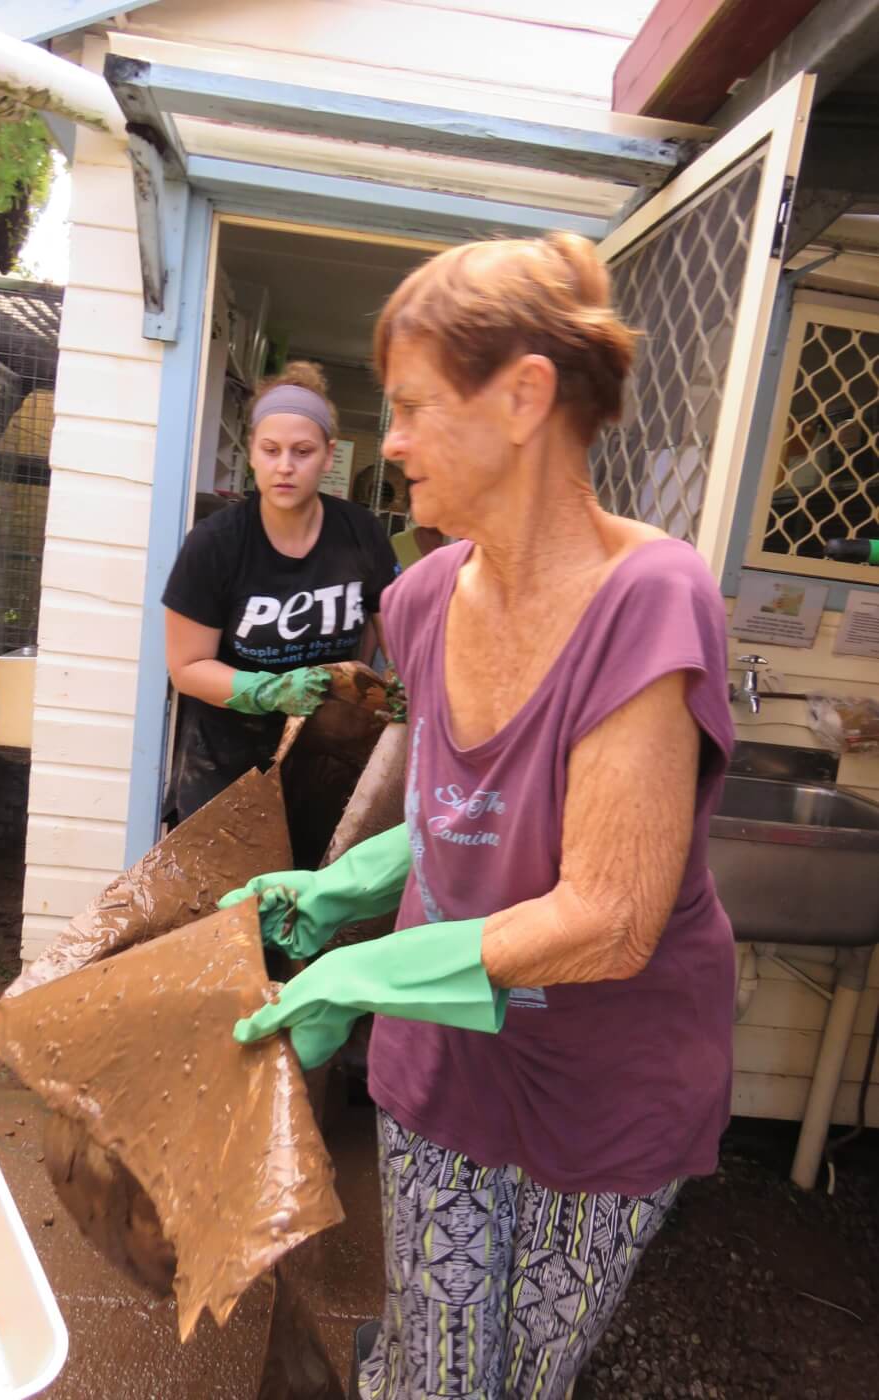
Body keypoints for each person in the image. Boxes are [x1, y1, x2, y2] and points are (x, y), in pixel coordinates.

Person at [222, 235, 737, 1399]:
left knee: (520, 1381)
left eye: (410, 405)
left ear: (523, 397)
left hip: (605, 1081)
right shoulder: (421, 599)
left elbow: (608, 912)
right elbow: (473, 813)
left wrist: (356, 977)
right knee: (442, 1370)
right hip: (446, 1056)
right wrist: (343, 888)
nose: (387, 439)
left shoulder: (649, 601)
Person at [162, 362, 398, 823]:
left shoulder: (361, 532)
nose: (285, 466)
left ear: (329, 455)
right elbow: (186, 668)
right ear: (252, 452)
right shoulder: (216, 543)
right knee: (227, 894)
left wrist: (409, 686)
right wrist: (266, 689)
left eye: (302, 451)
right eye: (271, 450)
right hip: (226, 765)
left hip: (327, 754)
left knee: (311, 886)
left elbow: (399, 635)